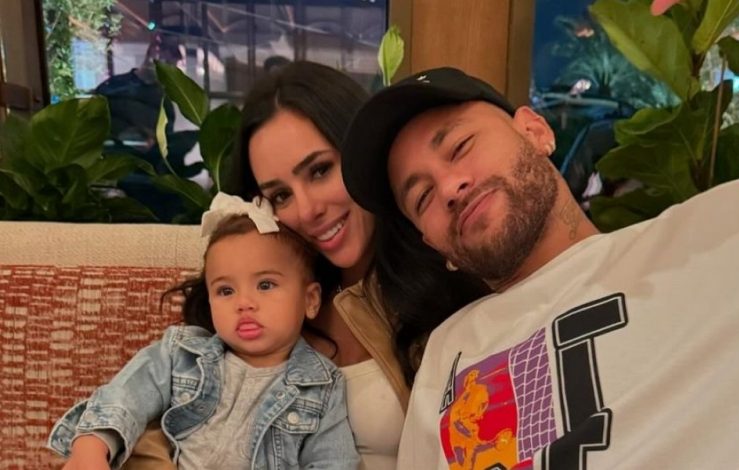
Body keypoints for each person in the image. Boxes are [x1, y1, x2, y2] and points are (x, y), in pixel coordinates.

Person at [340, 67, 739, 469]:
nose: (450, 188)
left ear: (535, 131)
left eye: (460, 147)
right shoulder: (446, 352)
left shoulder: (730, 230)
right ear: (436, 246)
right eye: (422, 198)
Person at [123, 61, 488, 470]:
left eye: (320, 170)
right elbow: (162, 417)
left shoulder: (445, 280)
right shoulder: (255, 302)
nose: (307, 210)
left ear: (363, 154)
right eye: (280, 196)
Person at [48, 193, 360, 470]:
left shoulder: (321, 386)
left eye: (266, 285)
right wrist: (91, 445)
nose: (244, 303)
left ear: (310, 300)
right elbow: (125, 396)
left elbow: (334, 461)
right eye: (225, 290)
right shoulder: (181, 354)